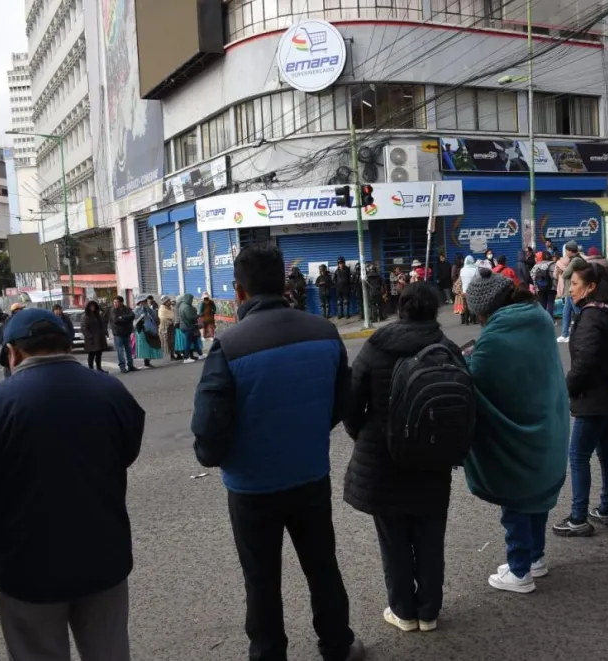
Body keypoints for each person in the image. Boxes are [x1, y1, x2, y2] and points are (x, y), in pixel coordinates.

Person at [0, 308, 144, 661]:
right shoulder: (111, 391)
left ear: (12, 353)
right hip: (104, 556)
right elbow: (127, 450)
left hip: (25, 567)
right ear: (65, 345)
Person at [191, 243, 364, 661]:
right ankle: (338, 645)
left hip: (252, 488)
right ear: (284, 284)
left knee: (262, 578)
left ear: (239, 291)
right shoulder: (324, 332)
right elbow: (342, 403)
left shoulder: (228, 346)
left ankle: (268, 654)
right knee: (323, 566)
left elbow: (209, 438)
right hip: (309, 474)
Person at [342, 282, 462, 632]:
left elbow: (352, 403)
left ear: (400, 308)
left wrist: (365, 436)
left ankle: (403, 611)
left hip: (384, 459)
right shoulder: (446, 347)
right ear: (434, 310)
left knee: (393, 538)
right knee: (430, 536)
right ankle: (429, 611)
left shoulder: (377, 346)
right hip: (432, 457)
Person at [463, 269, 569, 593]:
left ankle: (519, 569)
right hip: (550, 422)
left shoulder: (497, 337)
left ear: (486, 310)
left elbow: (475, 377)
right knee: (538, 496)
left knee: (517, 500)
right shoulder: (537, 316)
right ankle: (535, 558)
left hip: (518, 433)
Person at [553, 260, 608, 537]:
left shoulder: (590, 316)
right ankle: (606, 509)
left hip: (593, 399)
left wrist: (567, 389)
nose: (571, 289)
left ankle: (578, 518)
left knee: (578, 456)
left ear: (591, 287)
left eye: (575, 284)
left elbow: (584, 363)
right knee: (607, 454)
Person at [555, 241, 580, 343]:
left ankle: (581, 332)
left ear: (570, 250)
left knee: (578, 312)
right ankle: (564, 334)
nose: (565, 253)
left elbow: (566, 274)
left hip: (572, 290)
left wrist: (563, 272)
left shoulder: (575, 260)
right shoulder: (572, 260)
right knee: (566, 313)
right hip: (568, 290)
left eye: (566, 250)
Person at [109, 296, 137, 373]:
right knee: (120, 351)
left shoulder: (127, 309)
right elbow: (116, 320)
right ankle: (122, 367)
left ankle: (130, 365)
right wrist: (126, 319)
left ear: (121, 303)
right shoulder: (113, 310)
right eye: (114, 302)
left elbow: (132, 316)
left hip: (127, 332)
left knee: (129, 350)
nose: (115, 304)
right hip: (118, 333)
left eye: (117, 302)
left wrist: (122, 317)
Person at [134, 295, 163, 368]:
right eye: (142, 301)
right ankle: (145, 362)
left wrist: (149, 311)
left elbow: (155, 317)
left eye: (145, 301)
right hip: (141, 331)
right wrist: (142, 314)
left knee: (151, 346)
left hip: (150, 330)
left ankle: (147, 361)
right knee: (144, 346)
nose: (144, 303)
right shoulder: (136, 310)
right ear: (139, 302)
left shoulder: (148, 309)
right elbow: (135, 320)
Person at [81, 300, 109, 372]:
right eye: (91, 306)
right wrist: (89, 336)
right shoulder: (85, 316)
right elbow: (83, 328)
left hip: (99, 338)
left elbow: (103, 325)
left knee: (99, 354)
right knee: (91, 355)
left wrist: (105, 333)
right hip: (91, 339)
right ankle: (91, 370)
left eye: (94, 306)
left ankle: (99, 368)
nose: (93, 308)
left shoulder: (98, 315)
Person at [176, 294, 202, 362]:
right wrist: (198, 315)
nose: (192, 300)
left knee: (195, 341)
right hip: (188, 327)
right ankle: (186, 358)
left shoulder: (182, 305)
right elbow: (190, 318)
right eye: (191, 299)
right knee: (188, 343)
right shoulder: (186, 307)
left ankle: (200, 354)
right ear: (188, 299)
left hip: (185, 326)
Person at [459, 255, 478, 325]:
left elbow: (461, 279)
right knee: (473, 305)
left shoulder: (462, 269)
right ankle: (474, 320)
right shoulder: (475, 269)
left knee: (466, 305)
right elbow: (478, 278)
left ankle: (466, 321)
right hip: (474, 290)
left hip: (465, 291)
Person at [158, 296, 177, 360]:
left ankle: (172, 355)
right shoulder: (162, 309)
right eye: (168, 301)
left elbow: (173, 315)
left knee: (172, 341)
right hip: (165, 327)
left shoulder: (171, 308)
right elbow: (162, 317)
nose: (169, 302)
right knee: (166, 341)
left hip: (172, 326)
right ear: (165, 302)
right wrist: (170, 320)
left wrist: (172, 320)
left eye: (169, 300)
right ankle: (169, 355)